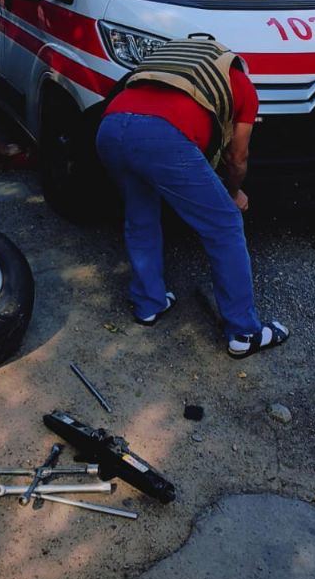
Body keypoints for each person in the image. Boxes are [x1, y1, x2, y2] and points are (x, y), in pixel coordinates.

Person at [95, 36, 288, 359]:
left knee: (140, 215)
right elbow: (237, 157)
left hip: (111, 127)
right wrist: (232, 192)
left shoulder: (167, 66)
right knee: (224, 224)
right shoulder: (240, 82)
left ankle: (148, 303)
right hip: (163, 136)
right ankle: (244, 331)